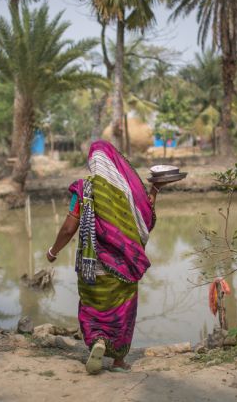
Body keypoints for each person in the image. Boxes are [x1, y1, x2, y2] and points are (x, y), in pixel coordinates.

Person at [46, 140, 166, 374]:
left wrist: (53, 251)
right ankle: (119, 361)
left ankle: (98, 340)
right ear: (115, 162)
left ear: (92, 163)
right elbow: (146, 220)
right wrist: (155, 189)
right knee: (122, 310)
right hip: (123, 266)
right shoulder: (130, 192)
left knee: (92, 307)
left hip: (91, 266)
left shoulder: (83, 189)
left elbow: (69, 227)